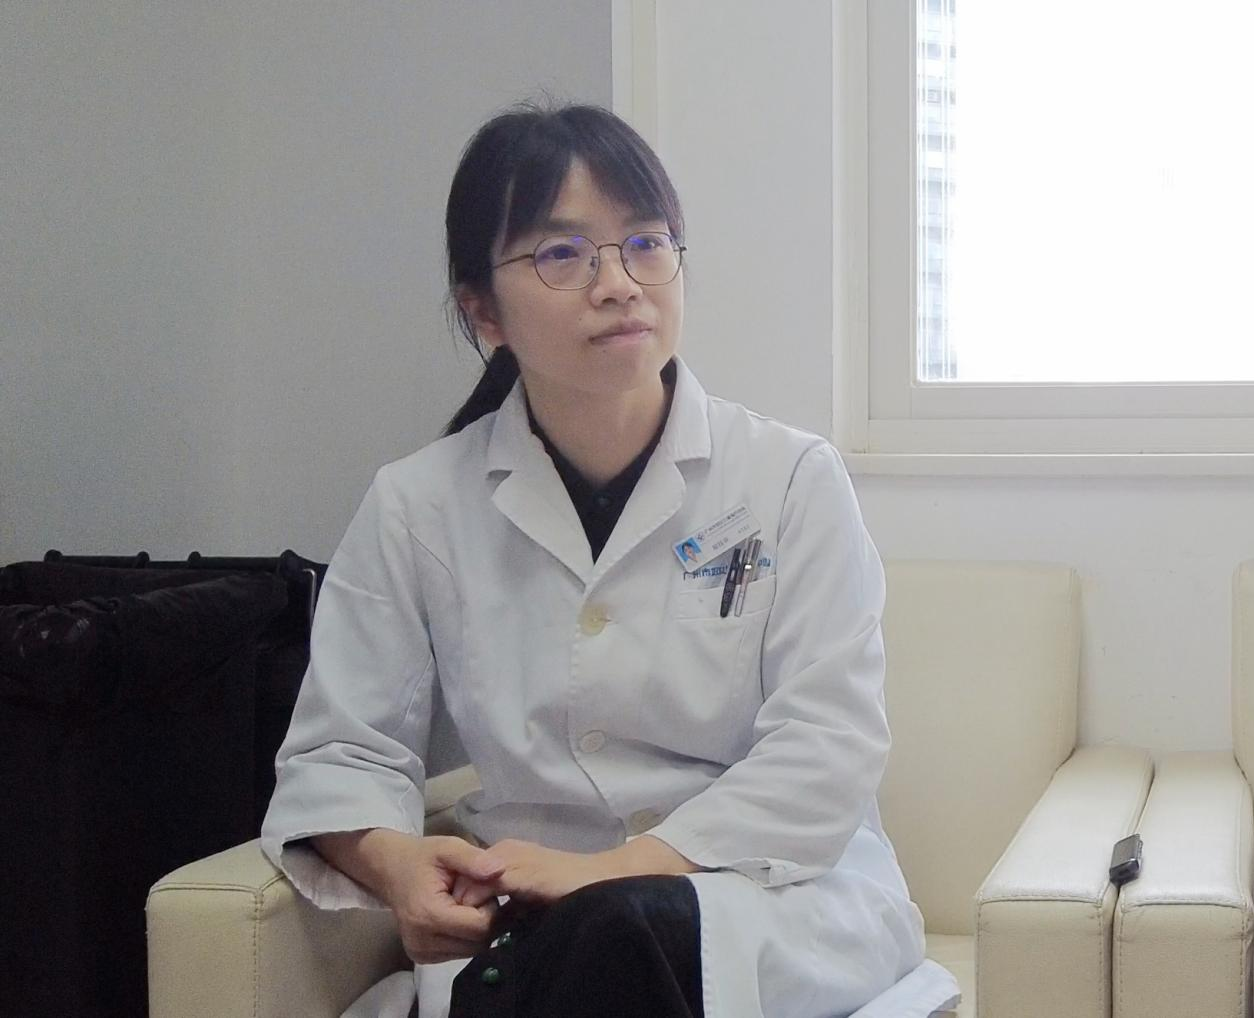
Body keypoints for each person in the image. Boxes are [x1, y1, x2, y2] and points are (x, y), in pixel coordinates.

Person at [261, 102, 960, 1018]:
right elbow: (341, 749)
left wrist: (614, 871)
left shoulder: (789, 480)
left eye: (645, 244)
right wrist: (396, 867)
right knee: (593, 950)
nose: (620, 284)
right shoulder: (416, 504)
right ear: (482, 310)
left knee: (620, 933)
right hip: (528, 905)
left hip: (768, 900)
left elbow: (826, 748)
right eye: (563, 254)